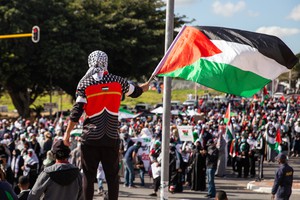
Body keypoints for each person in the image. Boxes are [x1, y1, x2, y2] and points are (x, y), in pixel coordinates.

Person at [63, 50, 149, 200]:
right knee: (112, 177)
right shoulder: (118, 82)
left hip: (90, 138)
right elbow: (137, 92)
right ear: (106, 62)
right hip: (110, 137)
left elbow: (76, 112)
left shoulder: (85, 84)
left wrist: (67, 134)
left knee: (88, 177)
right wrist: (147, 85)